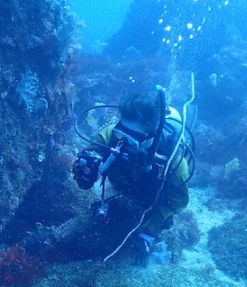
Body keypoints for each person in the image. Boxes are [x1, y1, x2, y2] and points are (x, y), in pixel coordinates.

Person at [72, 91, 193, 264]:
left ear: (151, 138)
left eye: (131, 140)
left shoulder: (174, 164)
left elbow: (178, 201)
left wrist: (149, 233)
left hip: (151, 201)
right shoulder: (109, 135)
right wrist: (85, 169)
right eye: (119, 133)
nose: (121, 142)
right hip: (123, 188)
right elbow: (85, 159)